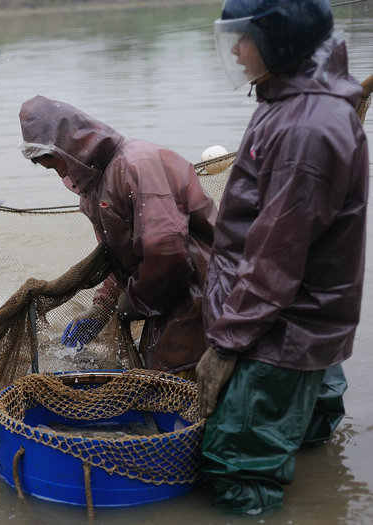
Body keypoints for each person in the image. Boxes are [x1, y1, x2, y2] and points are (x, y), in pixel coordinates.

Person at [197, 0, 369, 514]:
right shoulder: (291, 104)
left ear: (280, 40)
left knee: (236, 468)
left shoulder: (306, 128)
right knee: (300, 444)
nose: (234, 49)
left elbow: (277, 255)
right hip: (291, 324)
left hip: (279, 333)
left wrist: (226, 344)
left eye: (244, 37)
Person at [19, 95, 217, 375]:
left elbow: (167, 252)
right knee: (153, 379)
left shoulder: (137, 166)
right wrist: (103, 305)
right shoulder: (94, 188)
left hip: (201, 295)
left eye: (56, 164)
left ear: (69, 147)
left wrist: (133, 302)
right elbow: (123, 258)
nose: (60, 172)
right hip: (167, 299)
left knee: (177, 387)